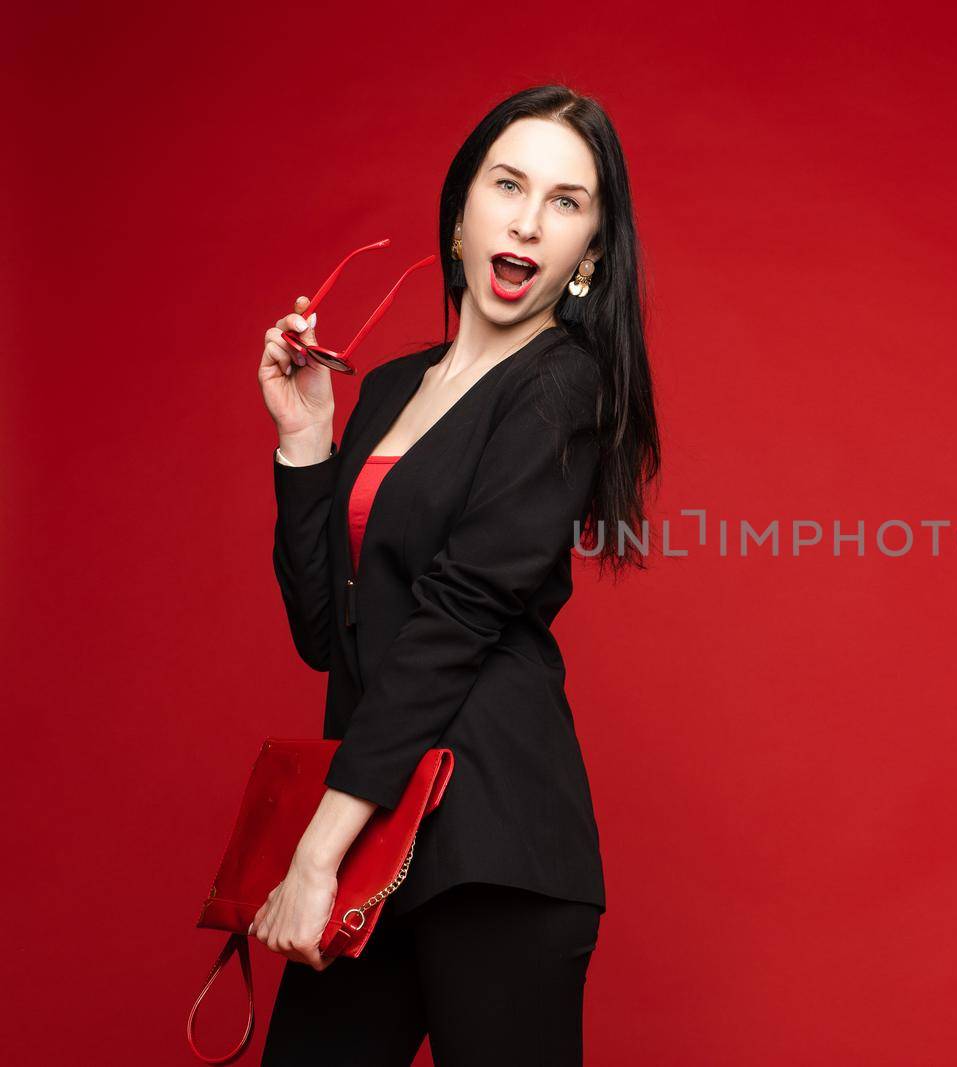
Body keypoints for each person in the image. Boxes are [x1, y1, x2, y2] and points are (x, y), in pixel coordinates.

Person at [251, 84, 660, 1065]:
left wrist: (316, 850)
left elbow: (453, 621)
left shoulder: (563, 386)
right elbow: (329, 635)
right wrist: (306, 443)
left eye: (566, 201)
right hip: (377, 830)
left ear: (592, 252)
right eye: (507, 184)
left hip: (494, 846)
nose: (527, 218)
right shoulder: (391, 387)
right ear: (461, 208)